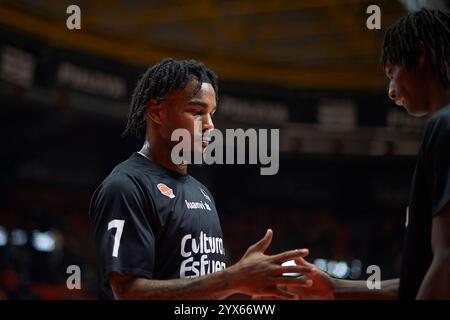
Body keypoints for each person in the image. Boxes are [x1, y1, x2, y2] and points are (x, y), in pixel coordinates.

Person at [89, 58, 315, 300]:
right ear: (156, 112)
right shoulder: (126, 186)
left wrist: (242, 285)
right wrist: (233, 279)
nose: (210, 125)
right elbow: (127, 293)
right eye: (196, 112)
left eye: (211, 113)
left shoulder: (202, 191)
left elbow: (203, 289)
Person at [291, 8, 450, 300]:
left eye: (392, 73)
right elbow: (420, 282)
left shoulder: (444, 124)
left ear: (419, 55)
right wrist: (336, 287)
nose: (391, 91)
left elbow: (447, 262)